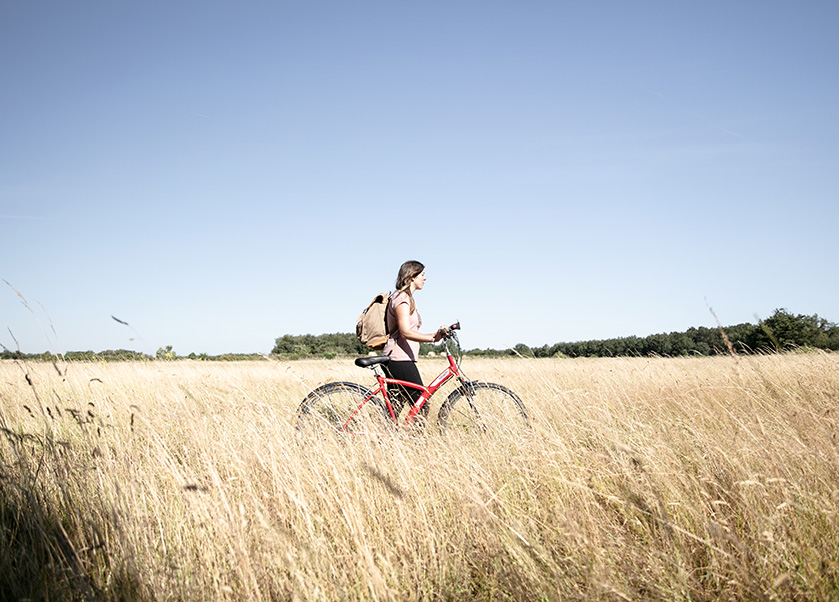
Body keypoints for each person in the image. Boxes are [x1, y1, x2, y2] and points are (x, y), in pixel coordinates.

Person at [382, 260, 447, 420]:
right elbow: (405, 331)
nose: (425, 278)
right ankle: (416, 443)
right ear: (412, 277)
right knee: (421, 405)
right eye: (422, 274)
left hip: (398, 358)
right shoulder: (402, 299)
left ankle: (386, 442)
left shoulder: (406, 298)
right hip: (398, 358)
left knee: (394, 409)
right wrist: (433, 338)